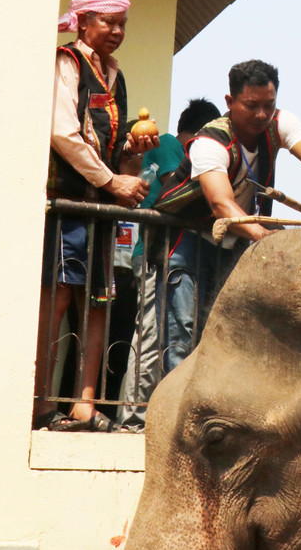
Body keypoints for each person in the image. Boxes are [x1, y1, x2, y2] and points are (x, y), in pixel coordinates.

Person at [152, 60, 301, 372]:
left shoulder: (279, 123)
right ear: (230, 102)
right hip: (188, 245)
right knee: (180, 337)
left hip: (234, 245)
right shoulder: (210, 141)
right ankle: (173, 417)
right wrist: (265, 238)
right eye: (252, 106)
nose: (262, 115)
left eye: (269, 105)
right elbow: (221, 205)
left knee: (227, 337)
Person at [34, 0, 159, 432]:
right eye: (108, 21)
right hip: (68, 203)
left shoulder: (114, 74)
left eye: (122, 23)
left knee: (98, 301)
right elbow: (62, 133)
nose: (116, 30)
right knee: (58, 297)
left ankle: (84, 404)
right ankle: (38, 401)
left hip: (99, 210)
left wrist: (131, 150)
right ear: (83, 21)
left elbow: (114, 154)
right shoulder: (65, 62)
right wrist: (112, 180)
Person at [116, 98, 220, 429]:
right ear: (201, 135)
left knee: (152, 334)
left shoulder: (163, 148)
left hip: (151, 253)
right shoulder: (174, 146)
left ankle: (138, 417)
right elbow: (187, 191)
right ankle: (134, 420)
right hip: (156, 252)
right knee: (149, 336)